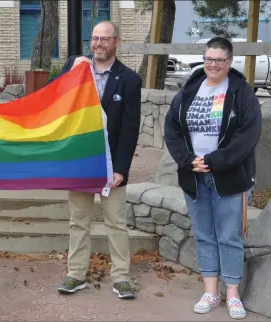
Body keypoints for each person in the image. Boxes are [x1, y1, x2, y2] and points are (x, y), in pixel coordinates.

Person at [164, 37, 262, 319]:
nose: (213, 64)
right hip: (194, 176)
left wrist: (214, 161)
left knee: (229, 237)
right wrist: (187, 160)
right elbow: (172, 128)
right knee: (204, 235)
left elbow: (248, 136)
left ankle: (232, 294)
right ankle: (210, 291)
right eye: (209, 58)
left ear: (229, 62)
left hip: (229, 177)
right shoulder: (189, 91)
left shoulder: (241, 92)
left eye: (219, 60)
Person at [52, 21, 142, 299]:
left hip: (110, 165)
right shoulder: (77, 70)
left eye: (105, 39)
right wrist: (70, 69)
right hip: (80, 163)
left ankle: (122, 278)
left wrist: (121, 169)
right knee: (78, 221)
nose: (99, 44)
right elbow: (53, 96)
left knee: (116, 223)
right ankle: (75, 274)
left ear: (117, 42)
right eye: (94, 39)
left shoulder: (129, 80)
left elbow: (130, 128)